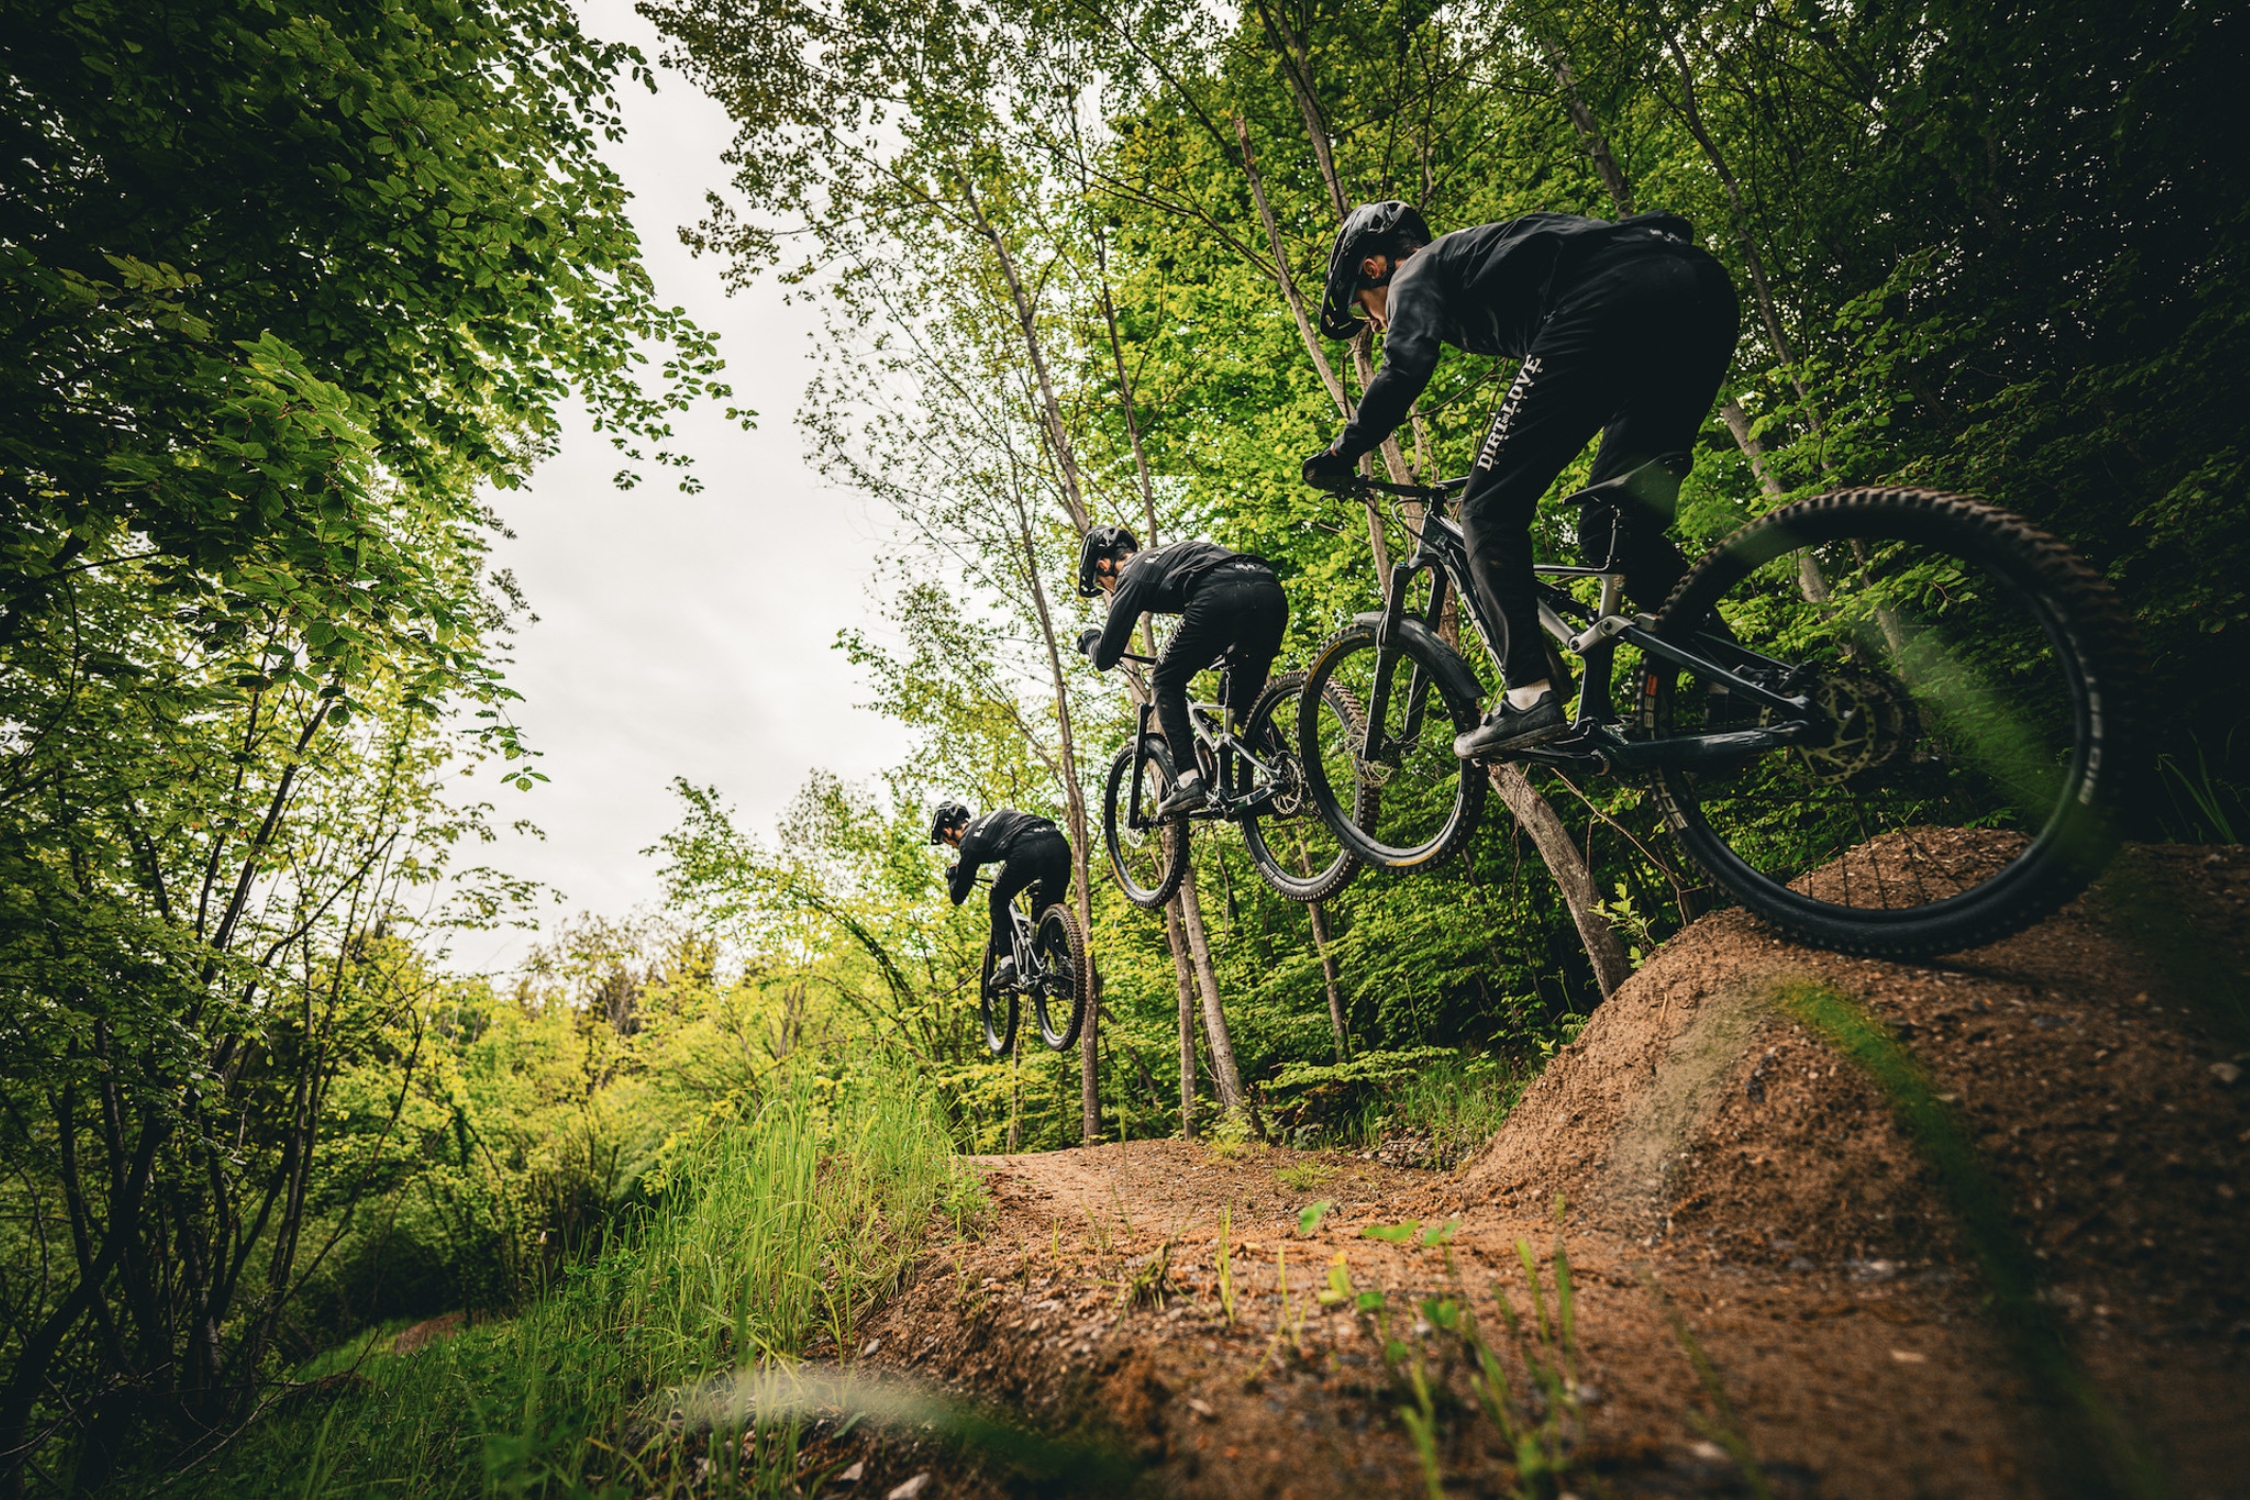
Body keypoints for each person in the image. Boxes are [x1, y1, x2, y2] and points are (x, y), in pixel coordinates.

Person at [1300, 201, 1741, 759]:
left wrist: (1344, 450)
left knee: (1485, 510)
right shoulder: (1472, 259)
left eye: (1365, 310)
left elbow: (1405, 366)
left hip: (1608, 296)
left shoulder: (1415, 269)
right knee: (1611, 527)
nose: (1376, 323)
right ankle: (1733, 672)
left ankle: (1529, 697)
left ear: (1373, 267)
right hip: (1697, 291)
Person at [1071, 526, 1287, 815]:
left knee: (1164, 678)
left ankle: (1188, 779)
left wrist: (1091, 638)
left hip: (1218, 594)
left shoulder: (1132, 572)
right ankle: (1286, 771)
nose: (1108, 591)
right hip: (1268, 588)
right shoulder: (1168, 557)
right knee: (1238, 700)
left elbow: (1105, 657)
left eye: (1102, 584)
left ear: (1104, 564)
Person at [929, 801, 1072, 987]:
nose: (952, 846)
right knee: (1046, 910)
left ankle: (1007, 964)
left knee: (997, 897)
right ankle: (1066, 964)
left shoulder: (969, 842)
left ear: (947, 832)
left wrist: (952, 875)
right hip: (1058, 842)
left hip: (1026, 848)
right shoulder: (993, 819)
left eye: (946, 842)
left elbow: (958, 896)